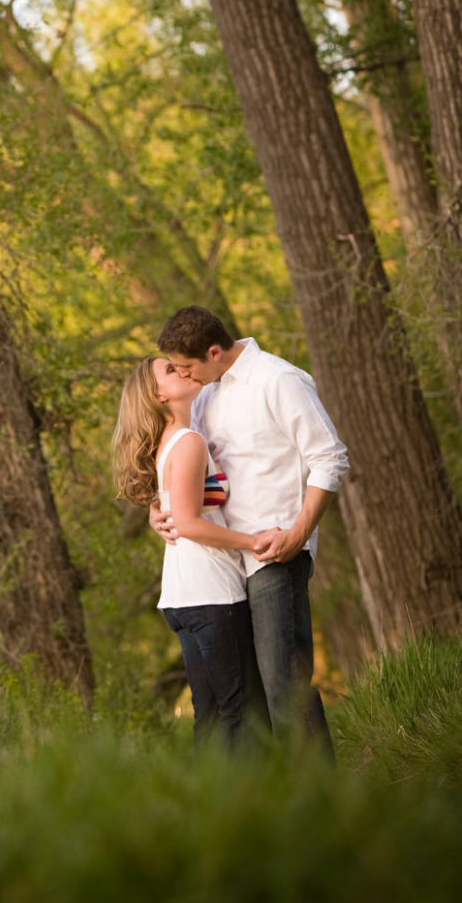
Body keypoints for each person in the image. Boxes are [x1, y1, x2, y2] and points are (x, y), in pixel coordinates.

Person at [153, 306, 350, 755]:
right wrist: (156, 507)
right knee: (249, 700)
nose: (183, 375)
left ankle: (324, 801)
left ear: (215, 352)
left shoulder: (278, 380)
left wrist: (299, 534)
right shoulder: (204, 394)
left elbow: (329, 457)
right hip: (222, 568)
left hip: (272, 554)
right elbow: (188, 471)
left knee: (284, 682)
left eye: (186, 367)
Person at [113, 356, 275, 747]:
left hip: (186, 597)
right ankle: (245, 801)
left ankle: (207, 801)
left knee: (214, 714)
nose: (182, 370)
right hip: (213, 594)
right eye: (170, 370)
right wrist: (254, 541)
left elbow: (173, 512)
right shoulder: (187, 442)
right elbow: (186, 522)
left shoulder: (174, 441)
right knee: (243, 713)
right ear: (159, 395)